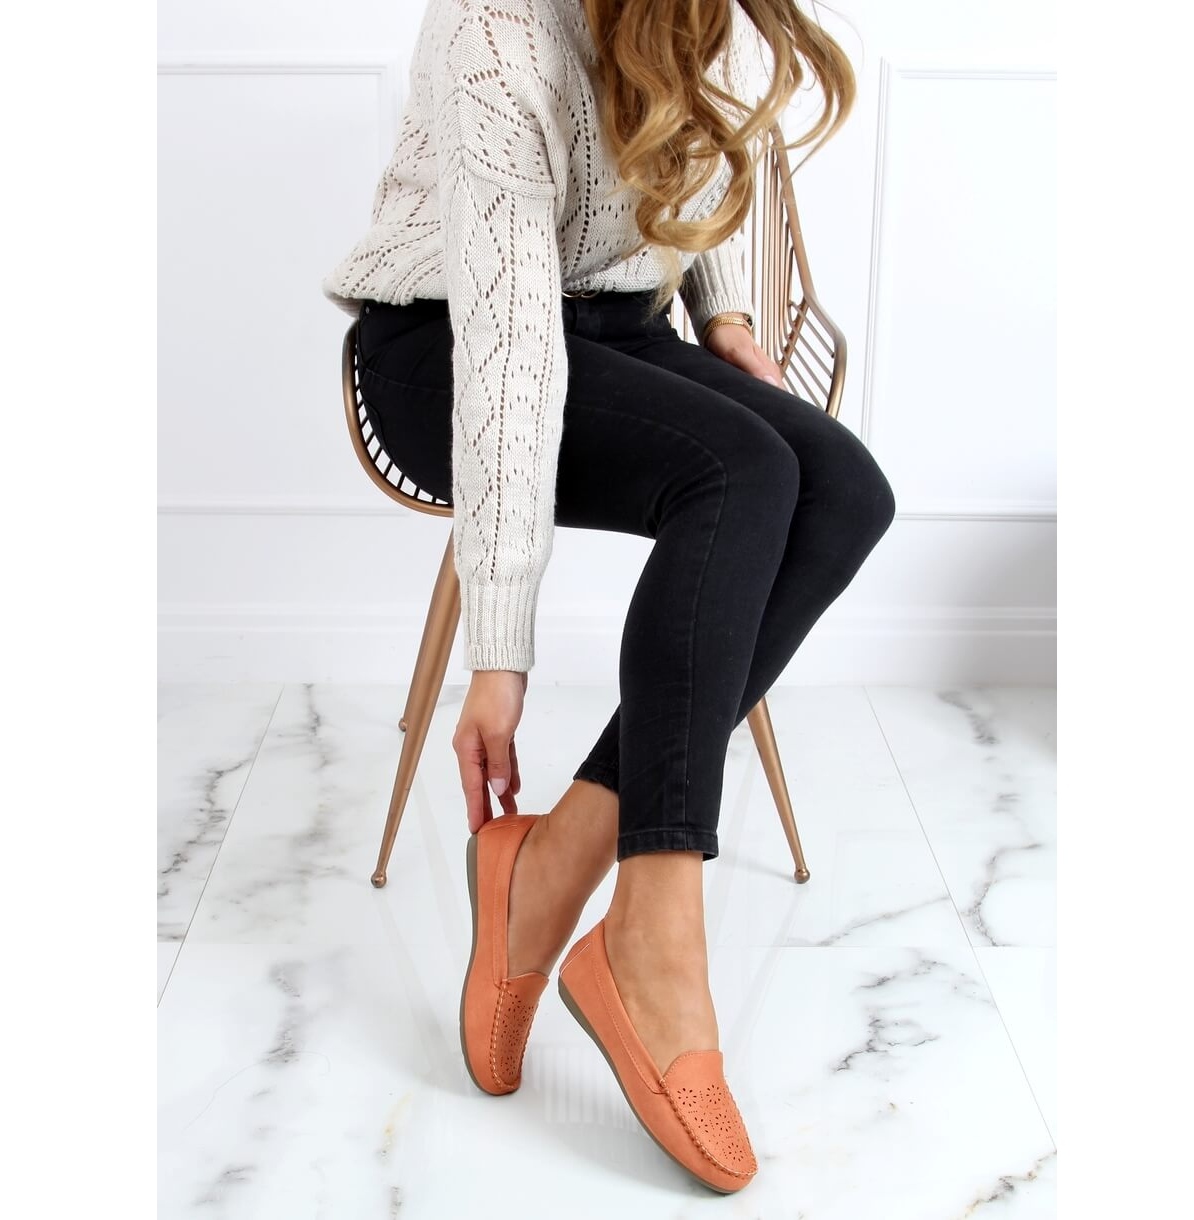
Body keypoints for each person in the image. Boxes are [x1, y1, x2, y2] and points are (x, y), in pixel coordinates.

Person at [323, 0, 894, 1193]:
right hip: (449, 351)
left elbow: (693, 137)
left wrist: (721, 308)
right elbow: (511, 345)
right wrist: (499, 641)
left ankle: (552, 862)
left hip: (623, 329)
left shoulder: (685, 10)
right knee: (739, 473)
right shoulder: (492, 29)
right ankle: (652, 931)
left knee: (842, 490)